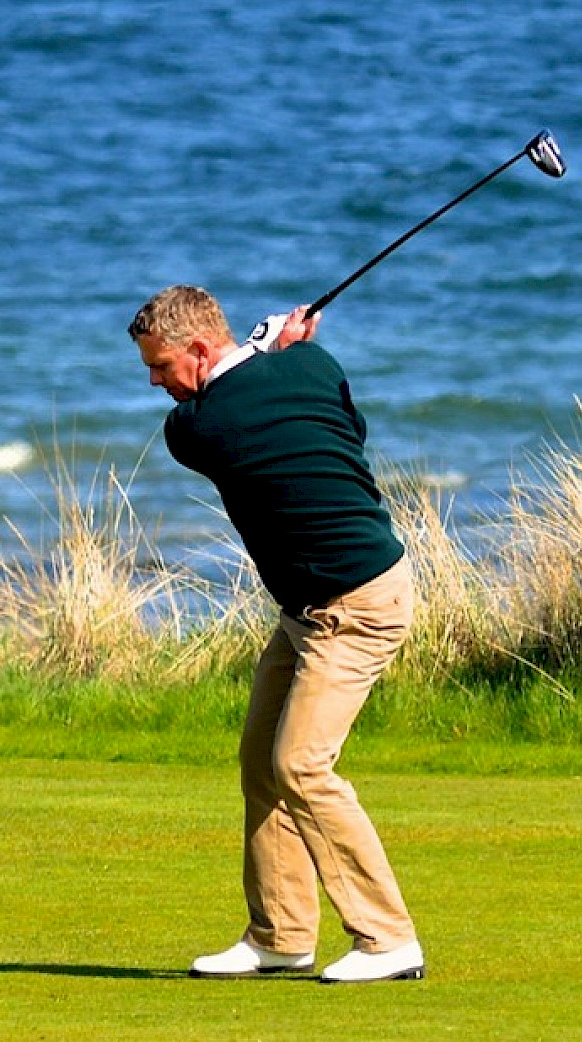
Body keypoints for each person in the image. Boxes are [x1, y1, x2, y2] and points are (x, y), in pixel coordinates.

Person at [127, 284, 424, 985]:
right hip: (308, 608)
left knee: (300, 766)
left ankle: (388, 938)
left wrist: (264, 349)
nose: (155, 382)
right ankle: (281, 934)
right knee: (262, 762)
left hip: (358, 606)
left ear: (200, 350)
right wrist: (274, 354)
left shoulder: (200, 430)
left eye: (162, 366)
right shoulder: (314, 368)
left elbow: (221, 407)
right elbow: (342, 427)